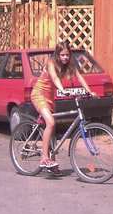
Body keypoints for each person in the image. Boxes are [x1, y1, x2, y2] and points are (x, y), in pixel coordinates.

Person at [29, 40, 95, 170]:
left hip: (50, 97)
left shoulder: (69, 65)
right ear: (57, 54)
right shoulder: (51, 62)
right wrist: (62, 90)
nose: (65, 58)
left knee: (52, 129)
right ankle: (44, 158)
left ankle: (52, 164)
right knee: (51, 123)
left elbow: (79, 77)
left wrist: (89, 91)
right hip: (39, 94)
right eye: (63, 55)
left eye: (67, 55)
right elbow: (54, 78)